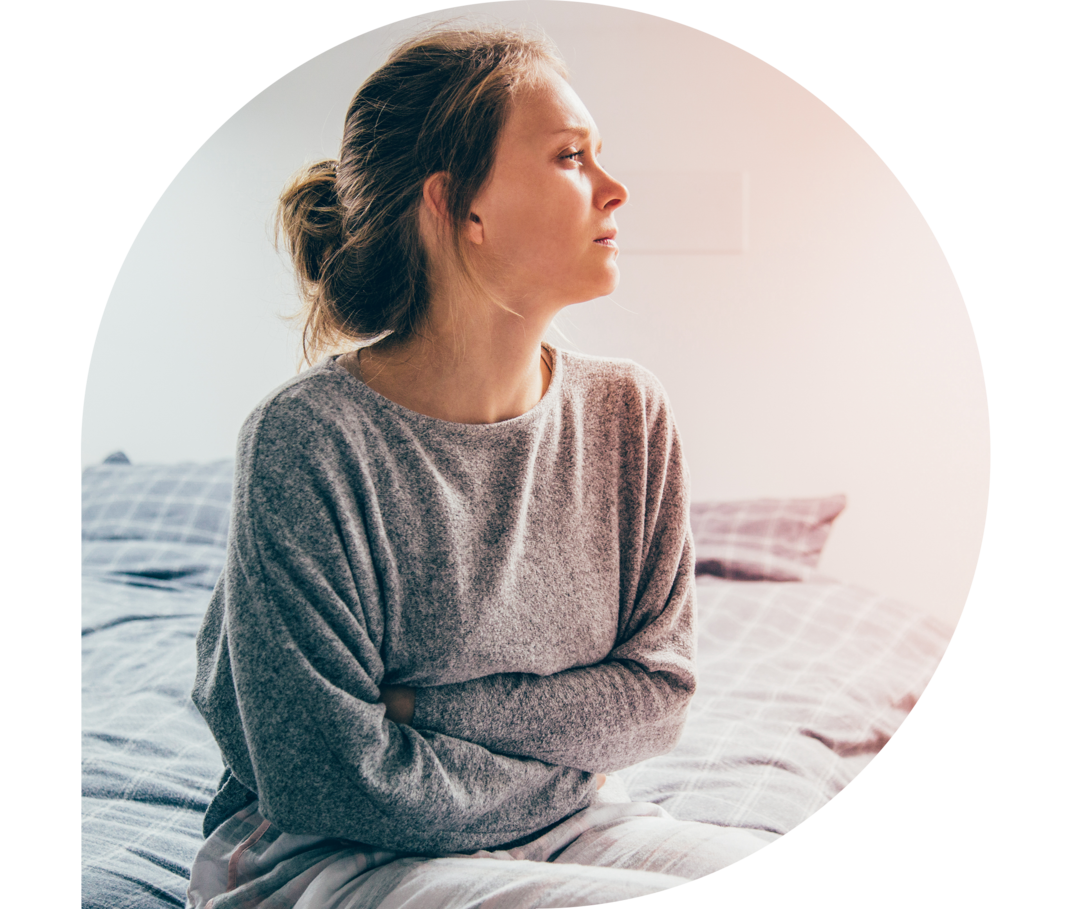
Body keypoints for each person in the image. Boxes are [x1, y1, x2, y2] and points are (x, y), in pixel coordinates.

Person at [186, 24, 767, 909]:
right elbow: (329, 781)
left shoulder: (628, 415)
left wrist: (422, 711)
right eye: (572, 157)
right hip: (327, 852)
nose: (615, 189)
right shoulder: (306, 443)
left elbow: (658, 697)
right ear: (460, 206)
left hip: (572, 823)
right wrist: (562, 752)